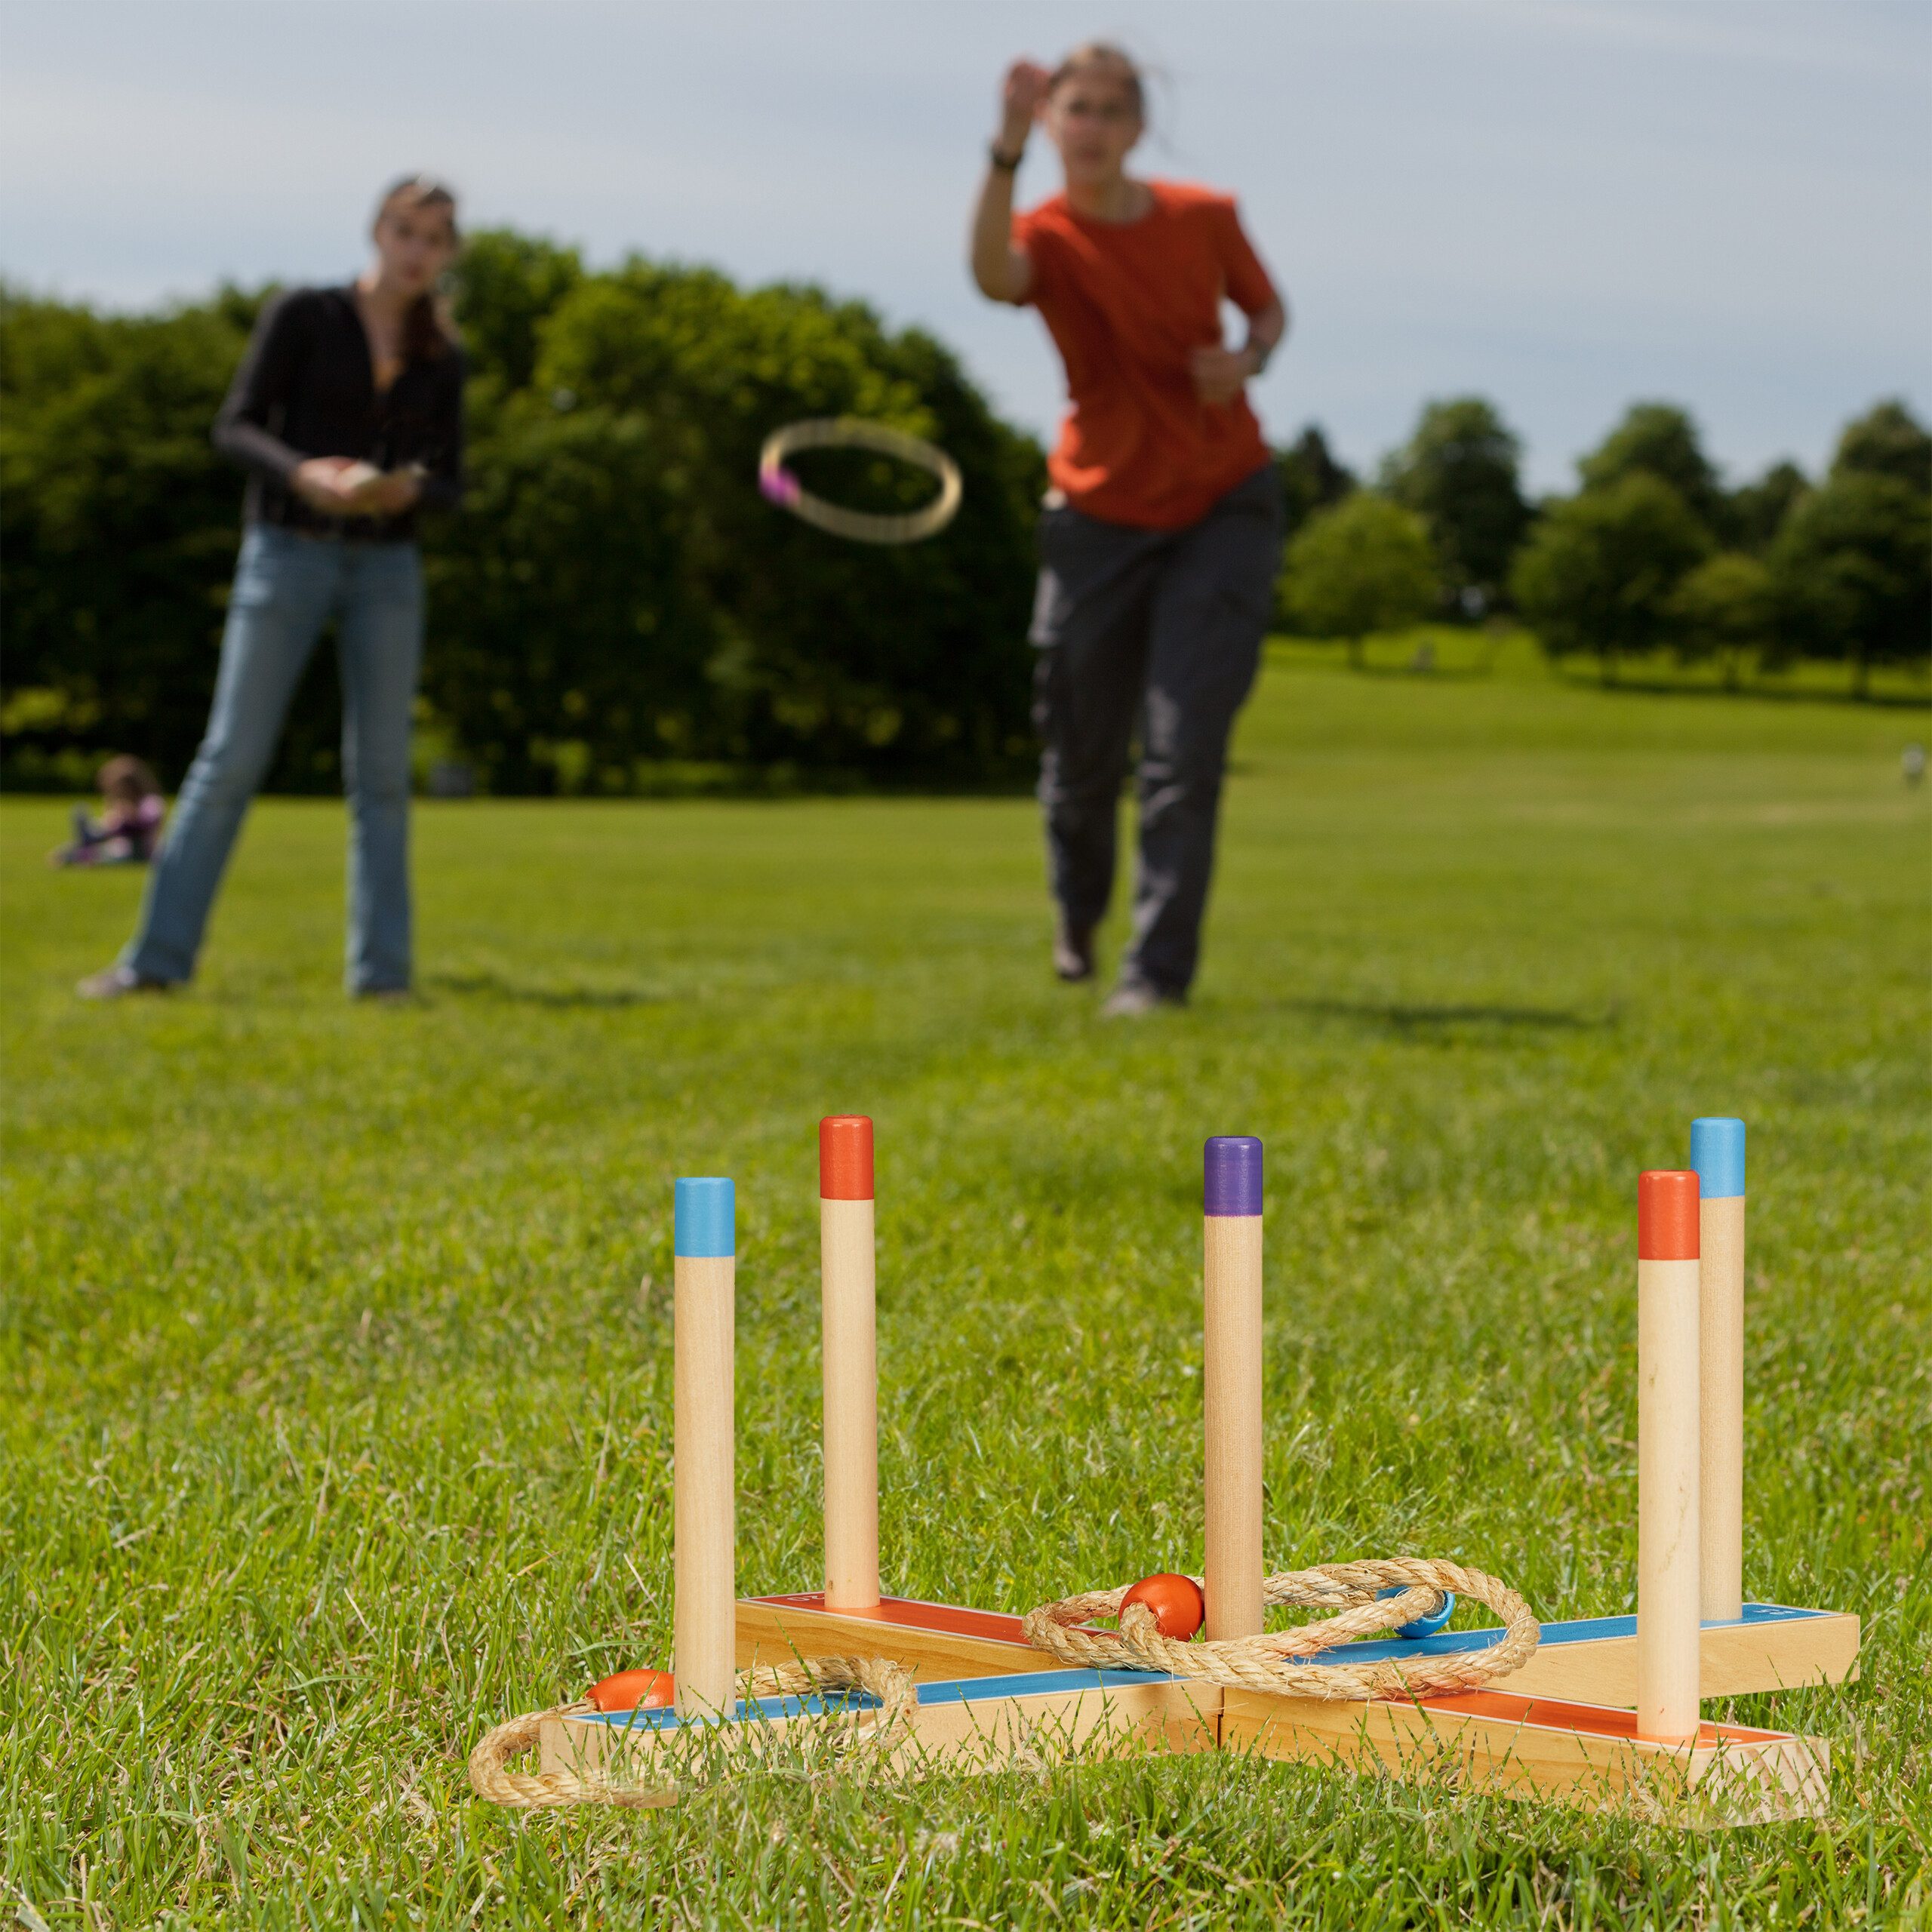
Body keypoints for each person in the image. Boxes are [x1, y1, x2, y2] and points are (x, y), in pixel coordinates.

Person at [78, 175, 465, 1001]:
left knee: (384, 776)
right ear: (378, 231)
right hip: (287, 552)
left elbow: (453, 480)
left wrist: (410, 489)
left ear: (446, 254)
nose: (416, 250)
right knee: (229, 760)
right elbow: (236, 425)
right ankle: (154, 962)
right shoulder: (306, 315)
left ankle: (383, 976)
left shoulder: (442, 356)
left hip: (387, 570)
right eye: (406, 230)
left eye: (434, 238)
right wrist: (304, 473)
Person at [971, 45, 1287, 1015]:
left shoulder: (1204, 217)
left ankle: (1153, 975)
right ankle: (1078, 910)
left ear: (1138, 126)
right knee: (1079, 755)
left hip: (1219, 502)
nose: (1095, 125)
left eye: (1112, 109)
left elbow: (1267, 313)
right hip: (1097, 515)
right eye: (1078, 108)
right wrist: (1003, 151)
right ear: (1054, 121)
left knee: (1181, 751)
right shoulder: (1047, 235)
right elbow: (991, 276)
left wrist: (1245, 360)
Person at [50, 756, 165, 867]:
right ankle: (86, 841)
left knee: (112, 851)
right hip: (119, 845)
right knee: (105, 844)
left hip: (141, 850)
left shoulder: (150, 802)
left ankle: (86, 846)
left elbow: (146, 824)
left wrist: (128, 816)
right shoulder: (123, 805)